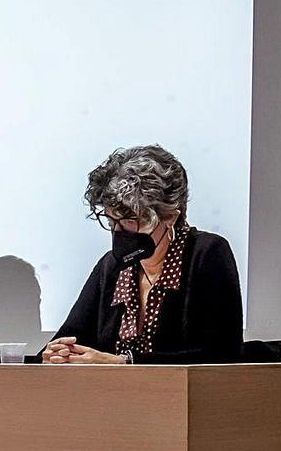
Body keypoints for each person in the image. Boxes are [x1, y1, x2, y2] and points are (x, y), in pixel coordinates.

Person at [41, 145, 242, 365]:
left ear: (170, 217)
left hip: (182, 398)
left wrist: (124, 364)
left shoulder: (207, 254)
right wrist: (57, 353)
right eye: (111, 221)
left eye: (131, 221)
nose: (119, 232)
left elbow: (222, 355)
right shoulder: (111, 267)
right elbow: (70, 335)